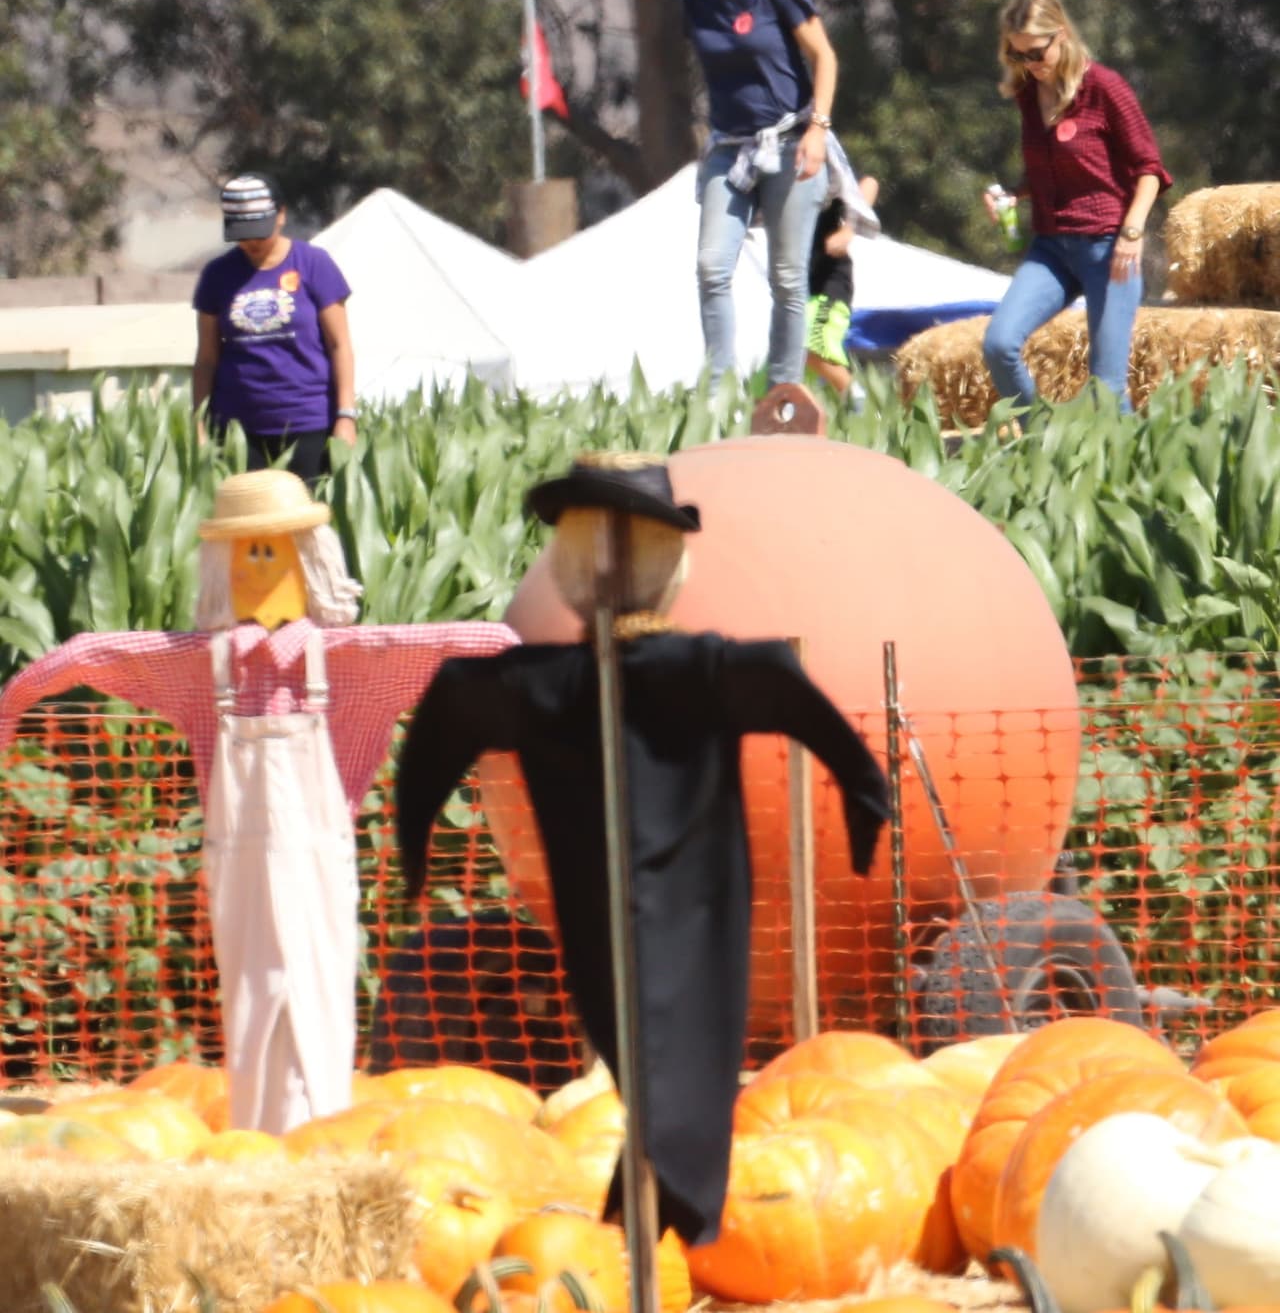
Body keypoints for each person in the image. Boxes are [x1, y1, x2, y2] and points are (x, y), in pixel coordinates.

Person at [396, 451, 889, 1246]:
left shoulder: (546, 684)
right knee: (676, 1070)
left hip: (637, 914)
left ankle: (644, 1222)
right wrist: (864, 792)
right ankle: (655, 1223)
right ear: (670, 563)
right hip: (675, 915)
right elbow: (785, 686)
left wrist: (415, 838)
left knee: (667, 1075)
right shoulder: (686, 670)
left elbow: (450, 711)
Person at [0, 468, 518, 1133]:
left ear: (312, 561)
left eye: (275, 548)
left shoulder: (354, 661)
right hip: (239, 868)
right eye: (247, 551)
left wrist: (536, 675)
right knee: (249, 1000)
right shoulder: (199, 667)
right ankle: (256, 1138)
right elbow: (93, 654)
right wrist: (13, 703)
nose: (261, 564)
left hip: (320, 865)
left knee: (322, 994)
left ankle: (322, 1127)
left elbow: (465, 644)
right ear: (221, 565)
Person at [662, 0, 839, 389]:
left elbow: (824, 56)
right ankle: (719, 390)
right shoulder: (693, 4)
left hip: (791, 143)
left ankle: (784, 390)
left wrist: (818, 130)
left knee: (787, 279)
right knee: (710, 265)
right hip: (730, 149)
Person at [981, 0, 1172, 416]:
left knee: (1106, 388)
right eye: (1017, 55)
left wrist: (1132, 232)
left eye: (1035, 53)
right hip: (1052, 247)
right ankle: (1040, 443)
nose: (1029, 64)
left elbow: (1150, 170)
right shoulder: (1030, 96)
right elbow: (1046, 171)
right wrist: (1013, 194)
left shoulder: (1104, 88)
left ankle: (1125, 477)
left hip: (1109, 248)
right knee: (999, 344)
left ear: (1061, 34)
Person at [193, 172, 358, 481]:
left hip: (309, 423)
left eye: (259, 231)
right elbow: (207, 359)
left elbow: (340, 345)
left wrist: (346, 416)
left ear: (281, 215)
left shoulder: (313, 264)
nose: (252, 242)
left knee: (307, 521)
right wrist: (199, 424)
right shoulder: (217, 276)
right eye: (243, 234)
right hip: (238, 430)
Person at [805, 172, 880, 395]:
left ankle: (862, 407)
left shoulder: (821, 166)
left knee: (813, 347)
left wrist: (848, 229)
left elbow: (870, 183)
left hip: (827, 286)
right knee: (771, 375)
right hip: (793, 291)